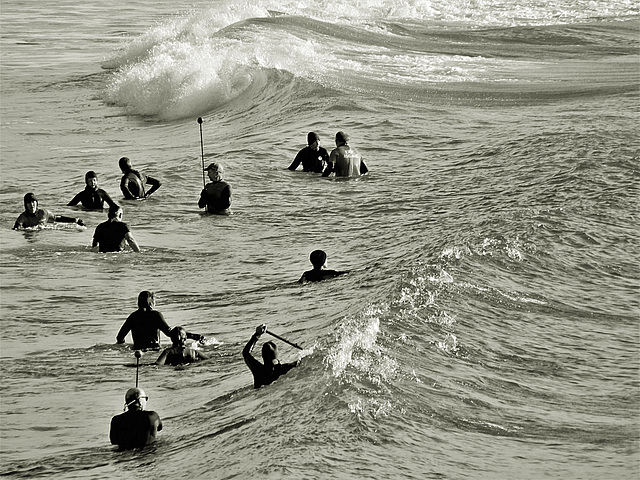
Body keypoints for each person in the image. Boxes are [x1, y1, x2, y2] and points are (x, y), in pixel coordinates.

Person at [116, 291, 204, 350]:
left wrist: (127, 347)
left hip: (138, 350)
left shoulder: (133, 317)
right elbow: (170, 333)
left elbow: (120, 337)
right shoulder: (155, 315)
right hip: (154, 350)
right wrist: (194, 336)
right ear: (151, 303)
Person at [242, 324, 299, 389]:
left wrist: (257, 334)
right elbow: (303, 362)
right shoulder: (285, 369)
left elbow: (246, 353)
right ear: (277, 354)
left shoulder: (258, 371)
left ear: (263, 356)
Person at [13, 192, 84, 230]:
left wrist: (74, 220)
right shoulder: (23, 217)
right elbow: (17, 228)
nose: (32, 205)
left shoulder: (43, 213)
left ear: (36, 203)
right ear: (26, 205)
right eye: (29, 203)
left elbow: (57, 218)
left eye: (33, 202)